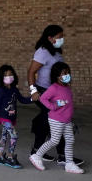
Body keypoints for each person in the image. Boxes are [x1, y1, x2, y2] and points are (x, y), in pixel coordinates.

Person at [27, 25, 81, 166]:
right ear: (50, 38)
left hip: (56, 91)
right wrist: (33, 91)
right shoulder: (42, 52)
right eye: (59, 37)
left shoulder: (56, 53)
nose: (62, 39)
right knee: (55, 119)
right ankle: (48, 153)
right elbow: (31, 72)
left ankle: (44, 151)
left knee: (50, 120)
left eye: (62, 36)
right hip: (43, 91)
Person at [29, 62, 84, 174]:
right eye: (64, 73)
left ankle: (69, 163)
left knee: (70, 139)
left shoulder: (67, 88)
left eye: (68, 73)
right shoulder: (54, 88)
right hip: (56, 119)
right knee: (54, 140)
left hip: (67, 120)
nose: (67, 75)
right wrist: (52, 106)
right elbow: (43, 98)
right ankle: (37, 156)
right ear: (57, 76)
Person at [0, 64, 32, 168]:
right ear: (1, 77)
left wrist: (32, 99)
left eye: (11, 74)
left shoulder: (14, 89)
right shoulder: (0, 90)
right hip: (4, 117)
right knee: (14, 135)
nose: (9, 76)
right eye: (6, 75)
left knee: (4, 136)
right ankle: (10, 156)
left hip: (12, 117)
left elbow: (22, 100)